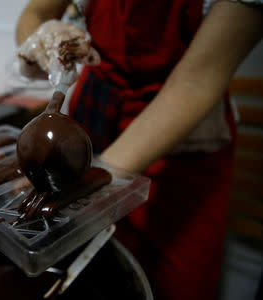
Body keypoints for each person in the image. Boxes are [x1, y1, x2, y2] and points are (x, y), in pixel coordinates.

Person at [15, 1, 263, 299]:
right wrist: (40, 39)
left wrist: (92, 180)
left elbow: (195, 83)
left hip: (180, 138)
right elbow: (36, 12)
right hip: (96, 114)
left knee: (172, 283)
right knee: (91, 272)